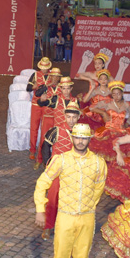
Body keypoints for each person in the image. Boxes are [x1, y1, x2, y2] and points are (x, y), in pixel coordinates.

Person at [34, 123, 107, 258]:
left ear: (89, 139)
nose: (80, 141)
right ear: (72, 138)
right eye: (77, 137)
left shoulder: (98, 163)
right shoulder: (61, 160)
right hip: (65, 216)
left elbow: (99, 188)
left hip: (87, 217)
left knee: (82, 255)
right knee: (60, 255)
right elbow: (42, 183)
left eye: (84, 138)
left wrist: (89, 205)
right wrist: (40, 209)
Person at [38, 101, 81, 240]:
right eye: (68, 117)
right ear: (64, 116)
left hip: (74, 172)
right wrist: (47, 165)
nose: (71, 120)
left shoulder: (82, 132)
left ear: (78, 117)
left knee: (73, 199)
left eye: (74, 117)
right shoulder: (56, 130)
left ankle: (70, 226)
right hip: (58, 171)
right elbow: (45, 147)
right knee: (53, 198)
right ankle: (48, 226)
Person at [88, 81, 130, 160]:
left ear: (122, 93)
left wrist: (127, 124)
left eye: (118, 94)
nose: (116, 96)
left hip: (121, 131)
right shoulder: (108, 102)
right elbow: (91, 107)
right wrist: (103, 113)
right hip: (109, 131)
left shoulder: (127, 104)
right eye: (114, 94)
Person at [36, 75, 75, 169]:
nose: (66, 91)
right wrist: (41, 100)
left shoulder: (75, 101)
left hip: (71, 131)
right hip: (58, 132)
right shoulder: (56, 98)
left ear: (71, 89)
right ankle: (49, 166)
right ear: (60, 89)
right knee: (56, 151)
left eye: (68, 88)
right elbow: (45, 103)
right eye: (64, 88)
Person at [27, 57, 52, 161]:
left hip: (47, 105)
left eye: (45, 68)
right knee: (34, 128)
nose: (44, 70)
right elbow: (28, 88)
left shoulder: (52, 75)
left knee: (45, 129)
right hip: (36, 104)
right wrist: (34, 87)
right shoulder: (35, 75)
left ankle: (42, 151)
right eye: (42, 68)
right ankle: (32, 150)